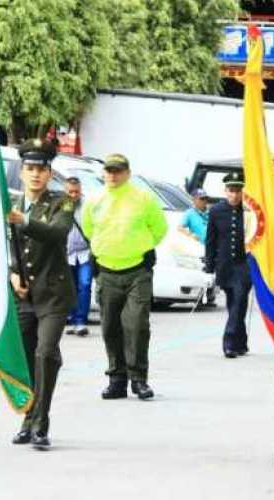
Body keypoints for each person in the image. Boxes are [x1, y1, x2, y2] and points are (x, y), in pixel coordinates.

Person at [82, 154, 168, 401]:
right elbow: (89, 229)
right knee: (110, 327)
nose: (112, 175)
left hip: (136, 271)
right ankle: (116, 379)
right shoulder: (95, 200)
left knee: (137, 325)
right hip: (107, 271)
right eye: (109, 171)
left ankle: (139, 379)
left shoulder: (143, 198)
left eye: (118, 171)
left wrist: (143, 247)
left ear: (128, 173)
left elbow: (159, 228)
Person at [8, 139, 76, 449]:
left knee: (45, 353)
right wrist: (11, 274)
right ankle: (27, 417)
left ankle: (41, 423)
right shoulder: (11, 204)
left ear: (49, 174)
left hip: (53, 295)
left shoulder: (62, 202)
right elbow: (1, 248)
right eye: (30, 169)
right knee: (27, 359)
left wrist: (25, 221)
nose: (35, 174)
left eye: (41, 169)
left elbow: (57, 233)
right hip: (24, 297)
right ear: (21, 173)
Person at [204, 172, 252, 358]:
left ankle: (229, 342)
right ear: (225, 191)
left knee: (239, 300)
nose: (235, 195)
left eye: (238, 191)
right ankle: (241, 341)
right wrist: (209, 268)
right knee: (234, 303)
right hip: (225, 265)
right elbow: (211, 241)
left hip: (244, 265)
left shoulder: (249, 212)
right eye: (231, 191)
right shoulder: (216, 211)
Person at [63, 177, 91, 337]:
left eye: (77, 192)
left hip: (85, 253)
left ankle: (81, 321)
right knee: (70, 288)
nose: (74, 195)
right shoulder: (60, 206)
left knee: (85, 285)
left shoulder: (87, 206)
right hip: (66, 254)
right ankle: (73, 319)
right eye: (70, 192)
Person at [179, 188, 216, 306]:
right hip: (198, 247)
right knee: (203, 271)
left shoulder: (211, 212)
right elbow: (180, 227)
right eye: (201, 199)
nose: (204, 201)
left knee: (212, 272)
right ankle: (202, 296)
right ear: (194, 200)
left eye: (205, 199)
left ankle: (210, 295)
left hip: (212, 246)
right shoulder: (189, 213)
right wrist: (190, 235)